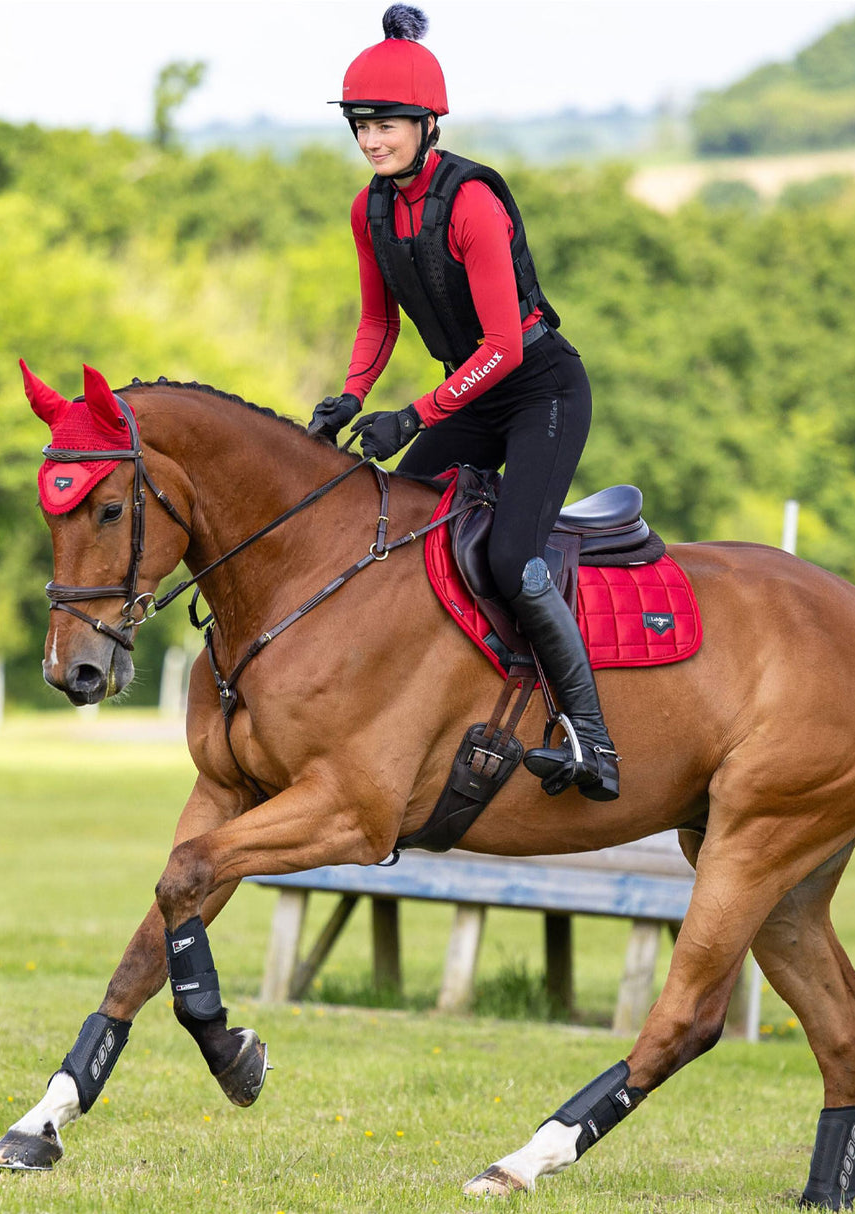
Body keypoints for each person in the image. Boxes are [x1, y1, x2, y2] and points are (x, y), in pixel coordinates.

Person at [308, 4, 619, 802]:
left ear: (426, 123)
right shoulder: (369, 208)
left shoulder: (472, 202)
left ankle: (592, 738)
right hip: (470, 396)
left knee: (512, 558)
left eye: (387, 124)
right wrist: (347, 399)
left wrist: (412, 416)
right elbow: (378, 320)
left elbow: (507, 347)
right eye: (360, 126)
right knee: (399, 535)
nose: (372, 140)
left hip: (539, 389)